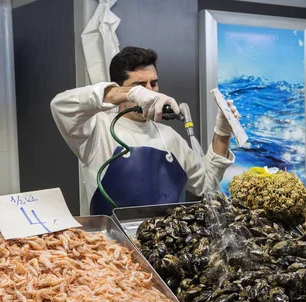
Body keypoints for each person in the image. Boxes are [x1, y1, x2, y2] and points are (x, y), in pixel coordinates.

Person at [50, 46, 238, 215]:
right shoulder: (97, 129)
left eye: (153, 84)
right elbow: (61, 106)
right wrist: (129, 94)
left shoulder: (170, 137)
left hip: (163, 247)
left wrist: (222, 133)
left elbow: (207, 186)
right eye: (140, 86)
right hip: (114, 246)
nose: (151, 92)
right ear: (120, 88)